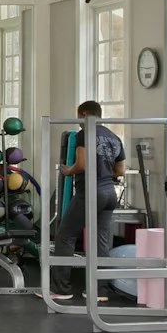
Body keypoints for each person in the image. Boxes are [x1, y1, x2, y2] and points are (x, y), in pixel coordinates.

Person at [52, 99, 127, 298]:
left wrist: (68, 170)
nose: (78, 121)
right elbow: (120, 170)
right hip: (110, 193)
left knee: (65, 235)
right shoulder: (114, 137)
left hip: (91, 191)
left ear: (85, 114)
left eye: (78, 116)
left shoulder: (84, 134)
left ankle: (61, 289)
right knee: (100, 240)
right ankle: (99, 290)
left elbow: (82, 164)